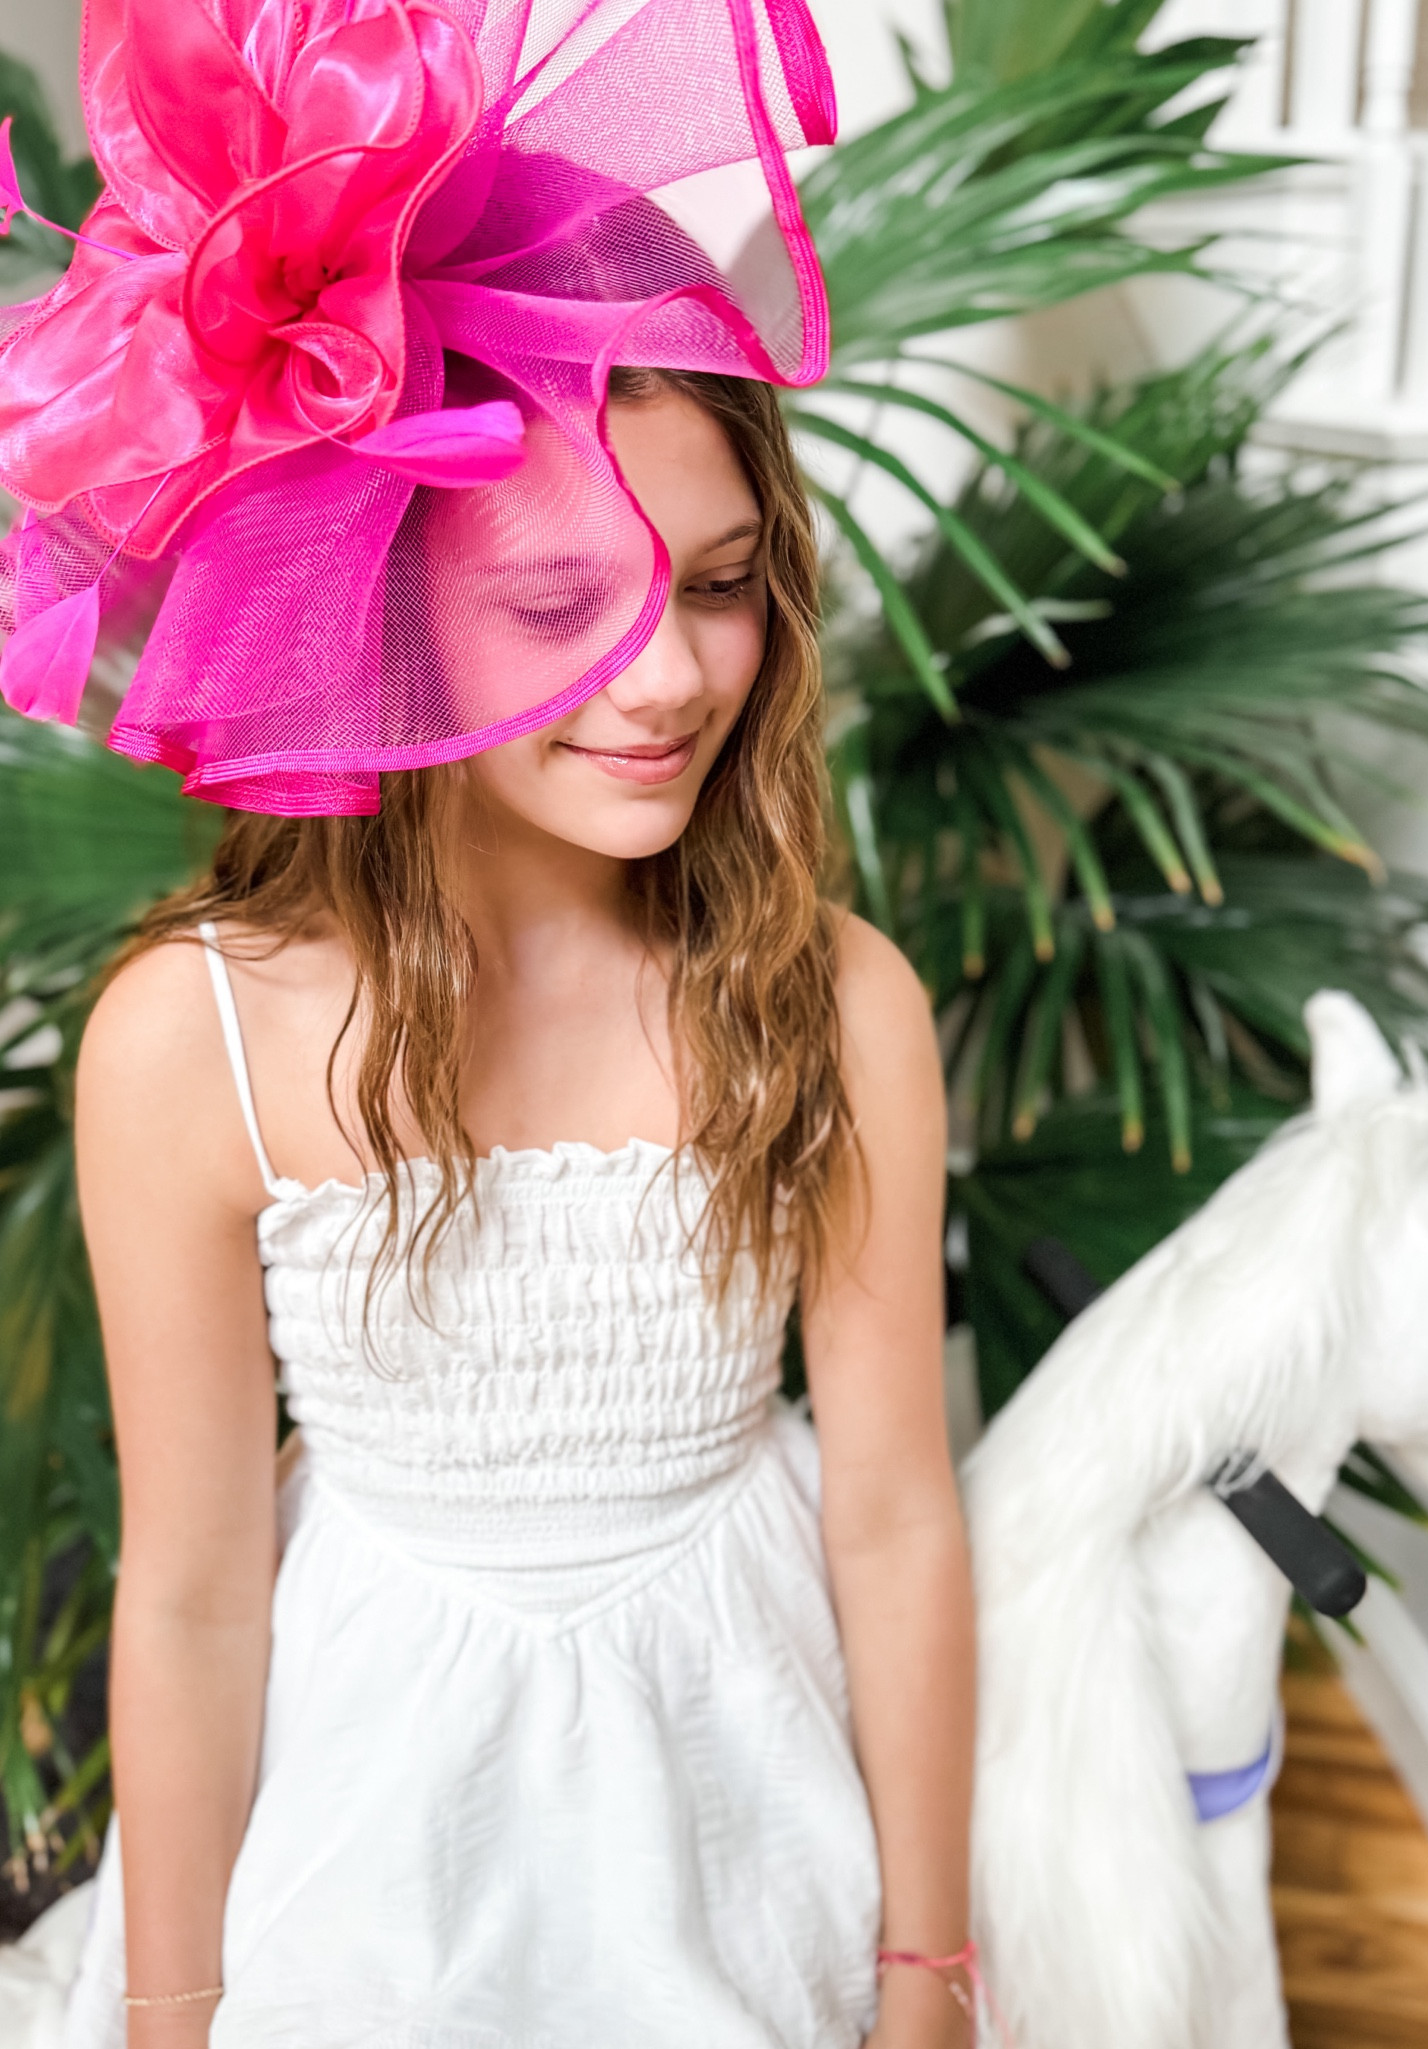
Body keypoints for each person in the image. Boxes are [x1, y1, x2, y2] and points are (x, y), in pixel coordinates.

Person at [0, 3, 978, 2044]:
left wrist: (923, 1970)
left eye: (715, 586)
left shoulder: (835, 1000)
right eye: (556, 606)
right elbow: (187, 1591)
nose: (662, 678)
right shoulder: (197, 1044)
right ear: (386, 601)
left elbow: (891, 1510)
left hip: (747, 1782)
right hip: (377, 1813)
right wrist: (173, 2003)